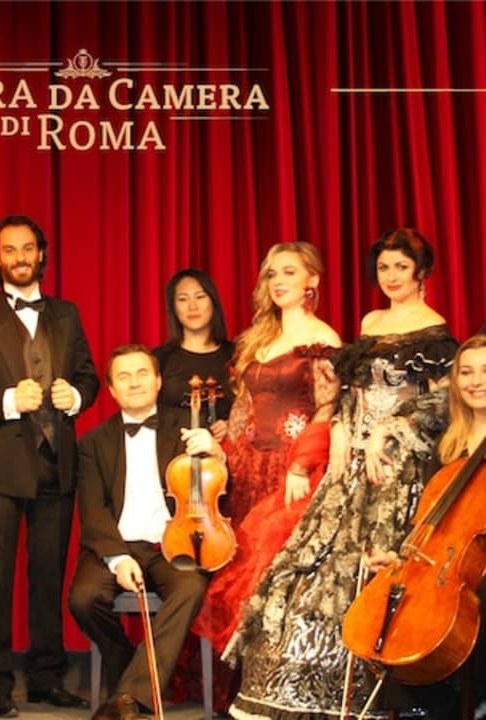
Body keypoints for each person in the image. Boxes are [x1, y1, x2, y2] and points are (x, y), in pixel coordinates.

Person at [225, 228, 459, 719]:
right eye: (384, 267)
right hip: (350, 458)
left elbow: (442, 401)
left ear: (421, 272)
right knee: (308, 572)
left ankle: (374, 698)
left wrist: (389, 431)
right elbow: (348, 395)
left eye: (400, 267)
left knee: (376, 576)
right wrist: (338, 433)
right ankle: (294, 692)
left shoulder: (435, 330)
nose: (391, 276)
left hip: (397, 463)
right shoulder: (370, 321)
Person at [0, 214, 100, 716]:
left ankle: (45, 678)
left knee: (48, 578)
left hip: (57, 465)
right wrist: (9, 399)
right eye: (9, 250)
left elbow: (90, 378)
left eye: (27, 248)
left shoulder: (67, 314)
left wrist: (77, 396)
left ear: (41, 254)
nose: (20, 257)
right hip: (0, 467)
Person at [181, 242, 341, 712]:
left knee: (267, 582)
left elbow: (330, 408)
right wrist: (223, 450)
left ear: (312, 280)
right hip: (247, 466)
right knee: (234, 573)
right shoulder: (260, 336)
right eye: (272, 274)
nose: (278, 282)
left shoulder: (323, 337)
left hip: (291, 470)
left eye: (289, 272)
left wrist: (303, 463)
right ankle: (234, 695)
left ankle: (270, 694)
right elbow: (244, 407)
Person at [68, 344, 221, 720]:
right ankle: (131, 676)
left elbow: (217, 486)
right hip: (117, 545)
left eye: (141, 374)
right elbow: (93, 510)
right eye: (123, 377)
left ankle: (127, 698)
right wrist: (118, 559)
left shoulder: (189, 428)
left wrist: (217, 453)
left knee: (191, 587)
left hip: (173, 542)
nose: (134, 383)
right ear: (111, 389)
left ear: (157, 381)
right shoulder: (93, 442)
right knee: (84, 599)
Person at [361, 334, 486, 720]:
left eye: (485, 371)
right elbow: (430, 519)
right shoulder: (448, 446)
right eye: (466, 372)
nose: (475, 381)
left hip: (478, 570)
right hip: (449, 564)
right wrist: (399, 556)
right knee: (400, 606)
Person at [154, 269, 234, 441]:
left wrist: (234, 425)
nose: (192, 306)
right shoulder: (159, 360)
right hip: (173, 452)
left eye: (200, 297)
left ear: (213, 301)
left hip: (229, 452)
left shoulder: (238, 355)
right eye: (183, 299)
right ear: (173, 308)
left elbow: (257, 409)